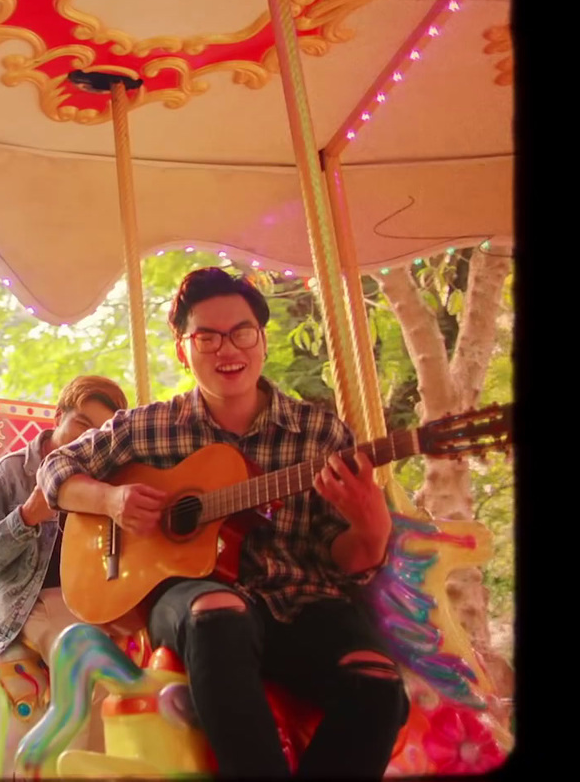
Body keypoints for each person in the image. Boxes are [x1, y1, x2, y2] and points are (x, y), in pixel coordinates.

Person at [35, 267, 408, 777]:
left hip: (301, 603)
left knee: (378, 682)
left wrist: (371, 526)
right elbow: (56, 468)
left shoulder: (318, 433)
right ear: (182, 350)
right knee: (219, 607)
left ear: (262, 340)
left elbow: (348, 561)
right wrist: (112, 499)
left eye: (241, 332)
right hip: (192, 603)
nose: (226, 348)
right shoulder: (150, 425)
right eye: (206, 336)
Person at [0, 374, 130, 753]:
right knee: (89, 665)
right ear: (58, 417)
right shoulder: (12, 471)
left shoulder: (105, 481)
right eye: (82, 424)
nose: (89, 437)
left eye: (102, 431)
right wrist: (26, 516)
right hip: (31, 600)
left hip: (92, 600)